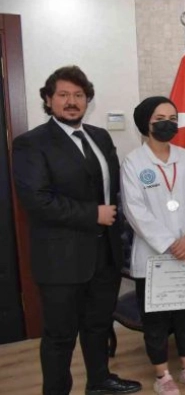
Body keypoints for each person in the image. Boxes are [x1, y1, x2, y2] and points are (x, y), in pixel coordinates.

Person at [12, 66, 142, 395]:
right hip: (61, 259)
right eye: (63, 95)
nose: (72, 101)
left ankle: (99, 381)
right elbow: (37, 200)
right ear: (48, 99)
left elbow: (112, 190)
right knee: (60, 336)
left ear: (87, 100)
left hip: (105, 256)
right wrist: (92, 214)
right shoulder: (31, 143)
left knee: (97, 326)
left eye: (79, 95)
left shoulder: (100, 137)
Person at [121, 96, 185, 395]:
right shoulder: (134, 162)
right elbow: (134, 210)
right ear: (146, 123)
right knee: (155, 319)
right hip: (154, 256)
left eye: (172, 118)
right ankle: (162, 375)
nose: (168, 124)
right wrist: (171, 243)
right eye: (160, 119)